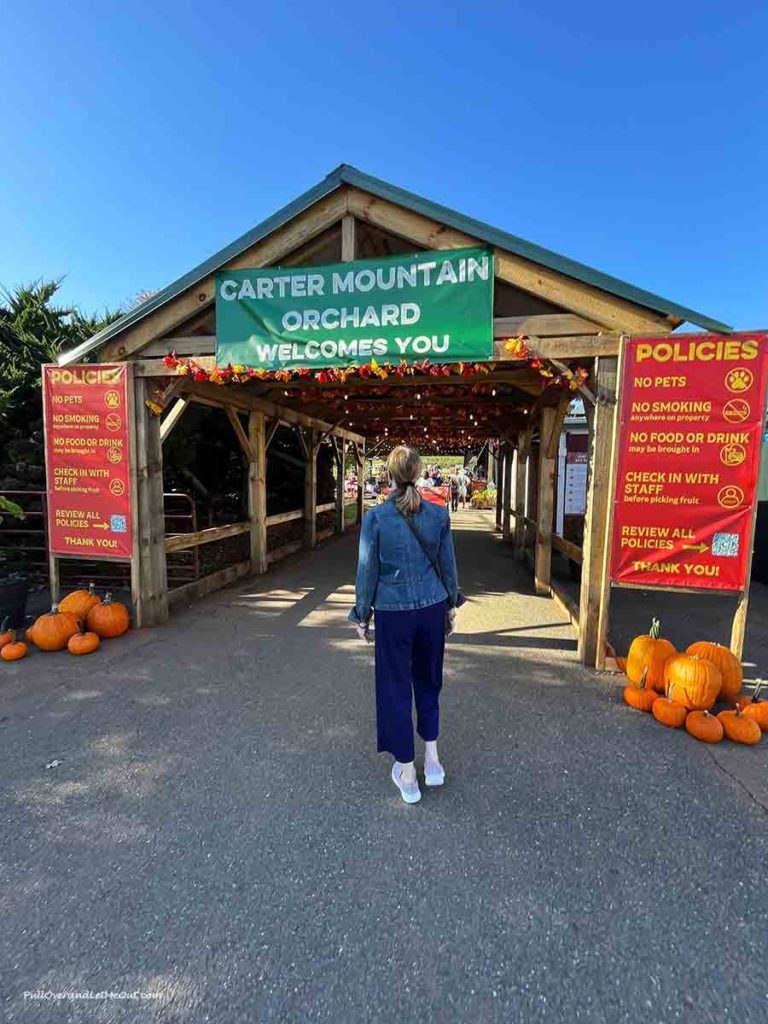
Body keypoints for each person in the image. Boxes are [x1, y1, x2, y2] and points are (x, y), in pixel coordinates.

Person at [349, 446, 461, 804]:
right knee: (429, 680)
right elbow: (448, 565)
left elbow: (367, 570)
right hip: (431, 607)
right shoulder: (439, 515)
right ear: (419, 472)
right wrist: (451, 603)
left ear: (390, 476)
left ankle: (407, 773)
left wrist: (362, 614)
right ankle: (433, 761)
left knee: (395, 687)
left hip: (393, 614)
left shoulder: (376, 518)